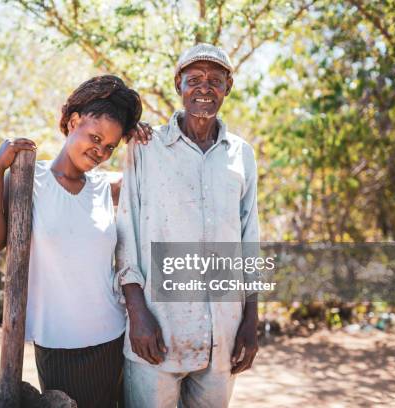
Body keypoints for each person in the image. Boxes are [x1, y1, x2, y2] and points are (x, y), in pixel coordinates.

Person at [0, 75, 151, 408]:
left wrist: (142, 141)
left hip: (115, 338)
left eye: (110, 146)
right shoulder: (28, 178)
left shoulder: (106, 187)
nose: (100, 151)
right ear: (73, 122)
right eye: (95, 137)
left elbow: (157, 184)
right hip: (59, 344)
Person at [115, 43, 260, 407]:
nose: (204, 88)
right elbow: (126, 230)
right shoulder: (147, 147)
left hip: (223, 330)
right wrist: (137, 312)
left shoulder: (240, 153)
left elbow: (249, 236)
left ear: (228, 87)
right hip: (158, 327)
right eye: (194, 79)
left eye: (215, 80)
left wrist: (251, 319)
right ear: (179, 85)